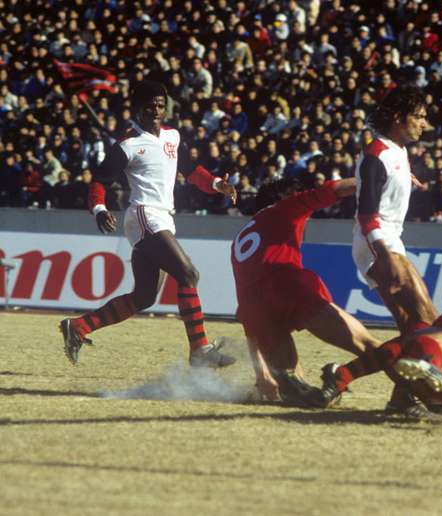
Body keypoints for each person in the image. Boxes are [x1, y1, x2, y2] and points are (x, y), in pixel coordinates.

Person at [59, 81, 237, 368]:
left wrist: (217, 184)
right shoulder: (128, 144)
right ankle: (200, 351)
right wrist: (100, 209)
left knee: (144, 297)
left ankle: (79, 326)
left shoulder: (173, 137)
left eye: (160, 104)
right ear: (139, 108)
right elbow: (100, 181)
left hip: (163, 217)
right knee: (188, 274)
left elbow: (190, 171)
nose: (156, 109)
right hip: (144, 215)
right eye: (151, 104)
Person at [231, 176, 381, 406]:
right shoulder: (285, 208)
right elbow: (332, 190)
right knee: (369, 346)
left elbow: (247, 309)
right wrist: (382, 177)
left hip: (259, 312)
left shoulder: (242, 238)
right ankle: (409, 392)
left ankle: (315, 386)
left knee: (295, 390)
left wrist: (261, 372)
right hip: (289, 290)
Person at [351, 84, 439, 416]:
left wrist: (406, 179)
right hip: (377, 241)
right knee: (427, 318)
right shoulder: (377, 153)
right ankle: (348, 375)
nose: (424, 124)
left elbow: (386, 175)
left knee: (412, 326)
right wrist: (384, 255)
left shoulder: (396, 151)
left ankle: (401, 397)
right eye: (419, 117)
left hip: (386, 239)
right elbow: (366, 214)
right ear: (399, 118)